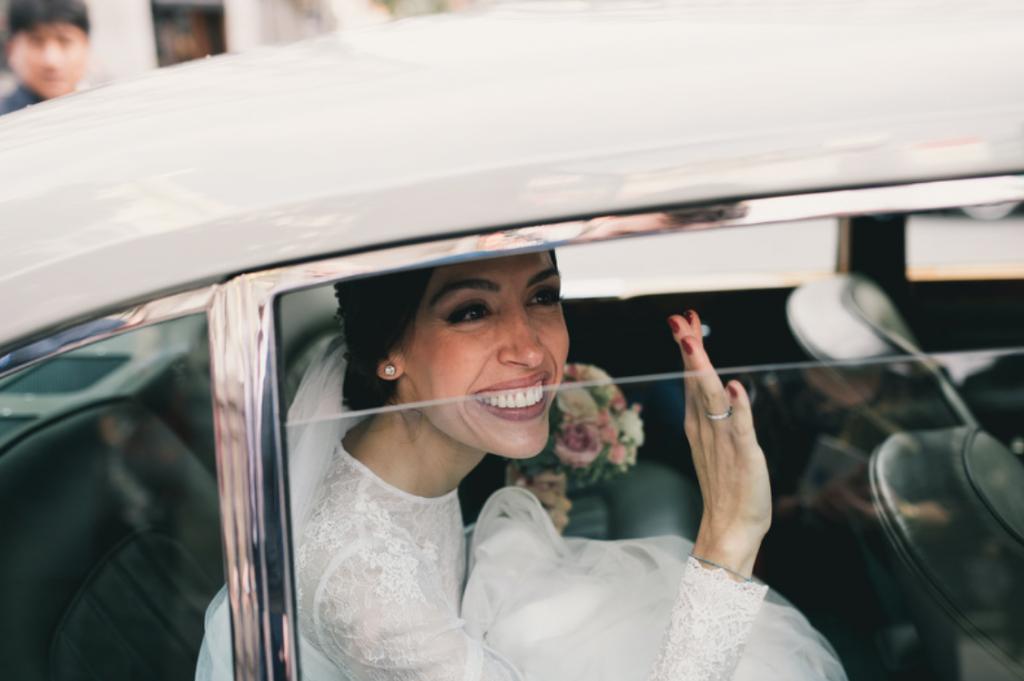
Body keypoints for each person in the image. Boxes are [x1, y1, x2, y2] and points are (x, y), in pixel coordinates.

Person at [197, 251, 845, 681]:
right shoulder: (364, 587)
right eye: (472, 311)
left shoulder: (403, 457)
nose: (531, 348)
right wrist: (729, 538)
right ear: (388, 350)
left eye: (542, 296)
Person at [1, 0, 89, 116]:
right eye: (37, 42)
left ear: (86, 46)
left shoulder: (104, 115)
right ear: (11, 50)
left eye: (64, 41)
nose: (51, 61)